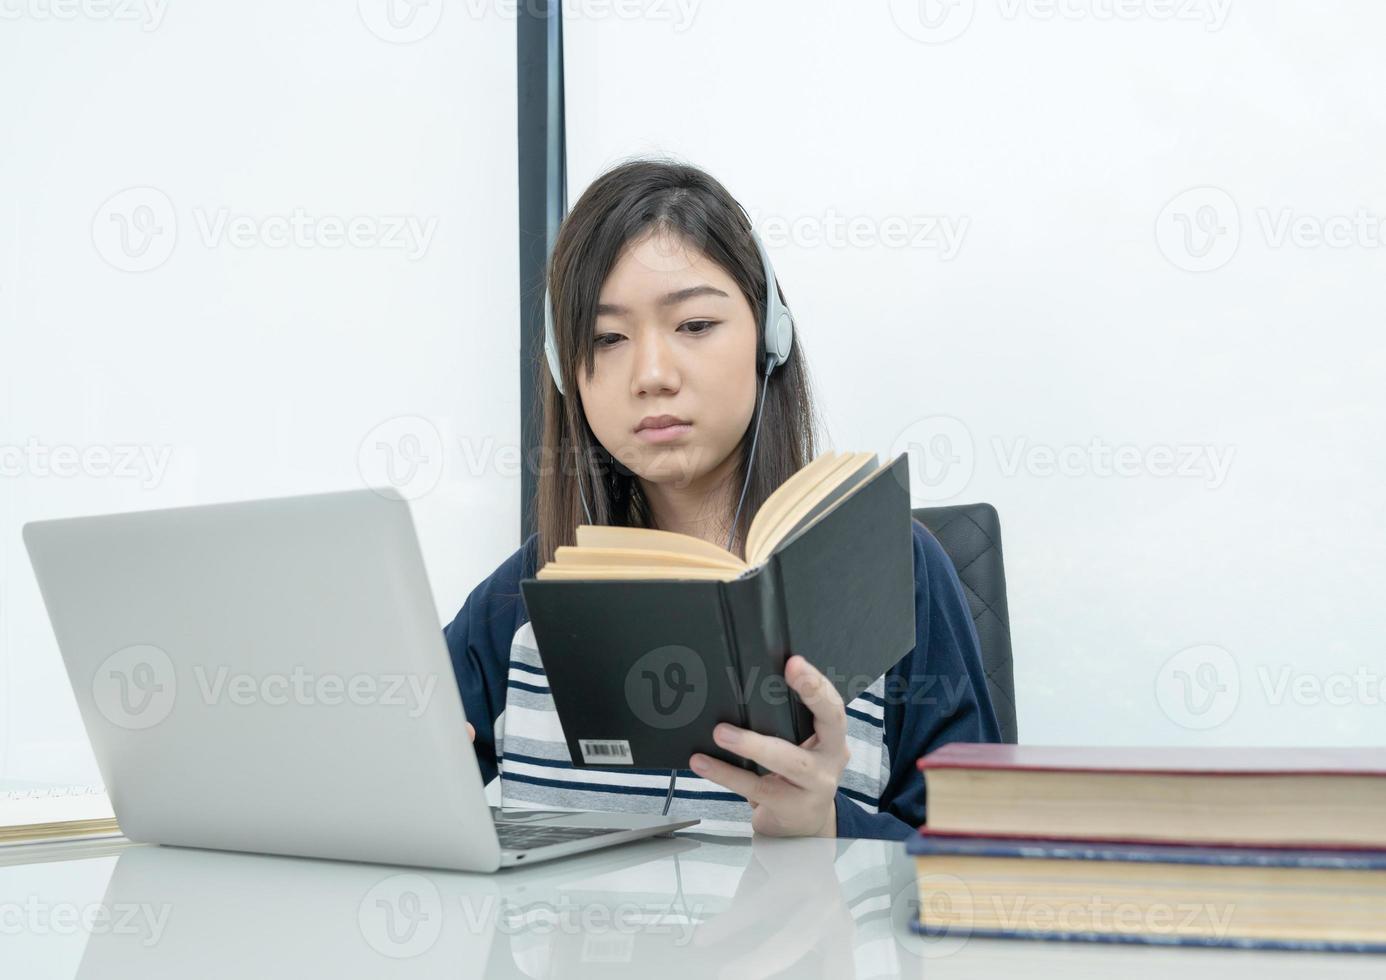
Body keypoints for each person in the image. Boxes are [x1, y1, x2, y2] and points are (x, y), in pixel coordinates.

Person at [444, 157, 1001, 839]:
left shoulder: (896, 570)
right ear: (569, 374)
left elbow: (974, 869)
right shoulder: (525, 593)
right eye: (606, 338)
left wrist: (826, 825)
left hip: (822, 949)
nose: (651, 374)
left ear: (771, 337)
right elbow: (403, 782)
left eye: (695, 326)